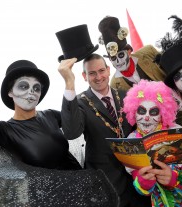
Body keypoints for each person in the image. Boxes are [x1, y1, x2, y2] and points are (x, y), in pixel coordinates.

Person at [58, 53, 151, 207]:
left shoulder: (127, 95)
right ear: (84, 76)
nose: (98, 77)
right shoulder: (79, 103)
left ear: (108, 70)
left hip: (139, 178)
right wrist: (69, 83)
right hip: (107, 184)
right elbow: (71, 132)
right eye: (92, 73)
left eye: (101, 71)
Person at [0, 59, 82, 170]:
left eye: (36, 88)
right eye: (23, 86)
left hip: (84, 184)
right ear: (10, 92)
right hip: (47, 190)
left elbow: (77, 118)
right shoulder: (5, 131)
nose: (31, 92)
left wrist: (69, 82)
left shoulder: (50, 115)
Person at [98, 16, 166, 91]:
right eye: (113, 58)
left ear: (129, 51)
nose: (118, 61)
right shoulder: (114, 85)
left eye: (121, 55)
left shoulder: (149, 52)